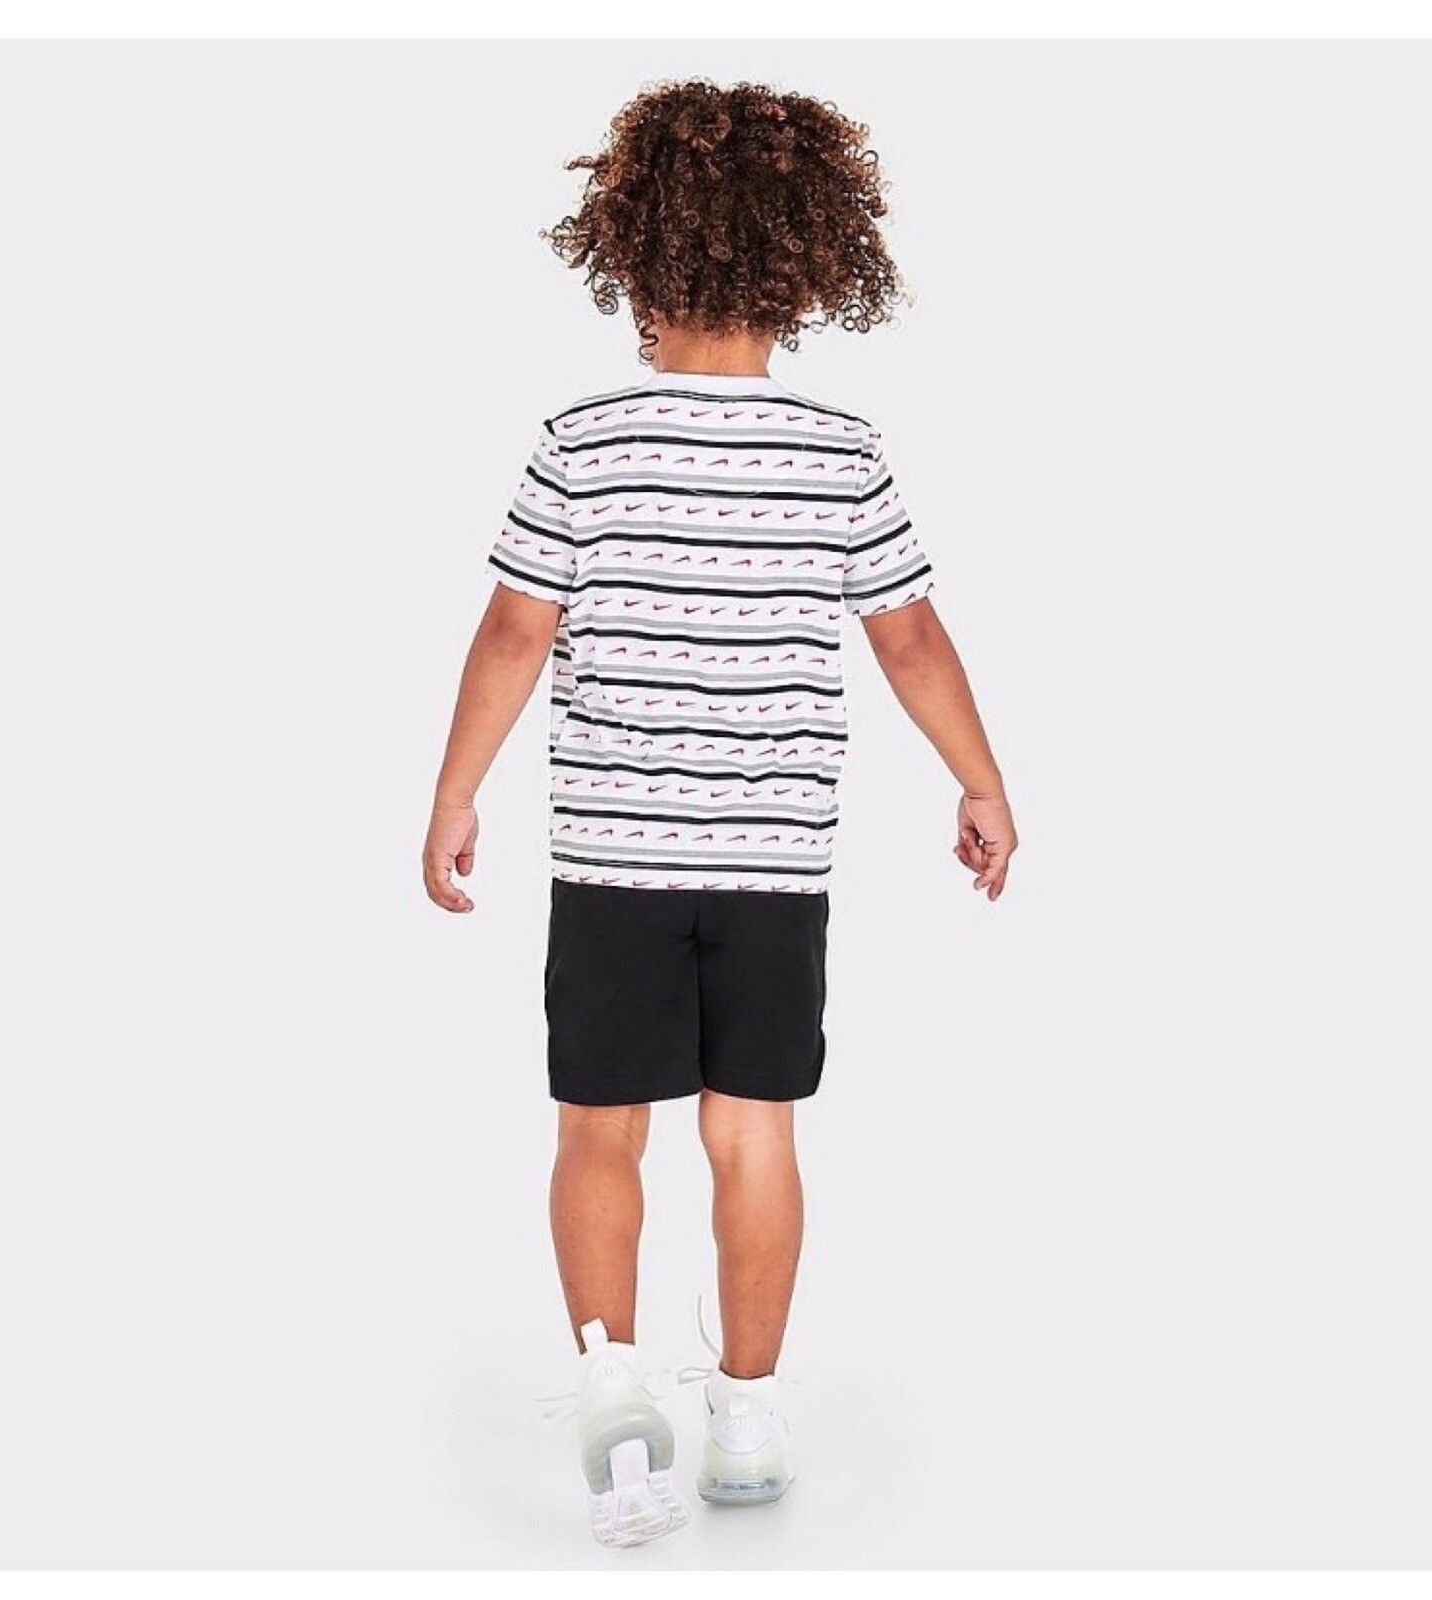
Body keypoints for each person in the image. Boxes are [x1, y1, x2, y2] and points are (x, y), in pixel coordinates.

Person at [422, 79, 1017, 1548]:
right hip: (772, 871)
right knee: (754, 1134)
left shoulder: (582, 438)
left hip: (613, 862)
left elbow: (515, 629)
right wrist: (980, 778)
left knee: (598, 1129)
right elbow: (910, 640)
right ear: (811, 260)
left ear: (632, 245)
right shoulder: (839, 450)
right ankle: (746, 1417)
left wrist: (455, 789)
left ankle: (614, 1385)